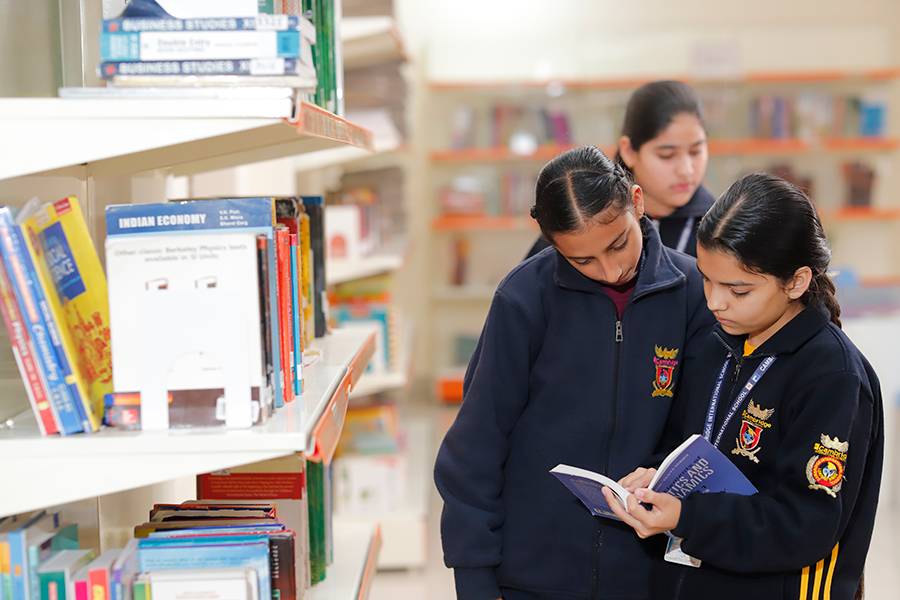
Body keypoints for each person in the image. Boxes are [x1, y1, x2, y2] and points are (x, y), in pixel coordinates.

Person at [434, 145, 716, 600]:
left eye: (618, 243)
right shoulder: (523, 297)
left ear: (637, 202)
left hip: (645, 574)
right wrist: (474, 577)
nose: (610, 269)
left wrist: (658, 468)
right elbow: (477, 443)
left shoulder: (695, 292)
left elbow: (701, 425)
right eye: (582, 260)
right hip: (531, 573)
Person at [605, 173, 884, 600]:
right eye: (706, 279)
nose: (714, 302)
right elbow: (687, 441)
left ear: (797, 281)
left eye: (737, 290)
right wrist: (656, 475)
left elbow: (805, 524)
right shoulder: (718, 343)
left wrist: (688, 517)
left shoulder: (833, 375)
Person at [526, 80, 714, 259]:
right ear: (629, 151)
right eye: (666, 155)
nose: (686, 170)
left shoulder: (719, 227)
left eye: (696, 151)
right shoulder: (584, 213)